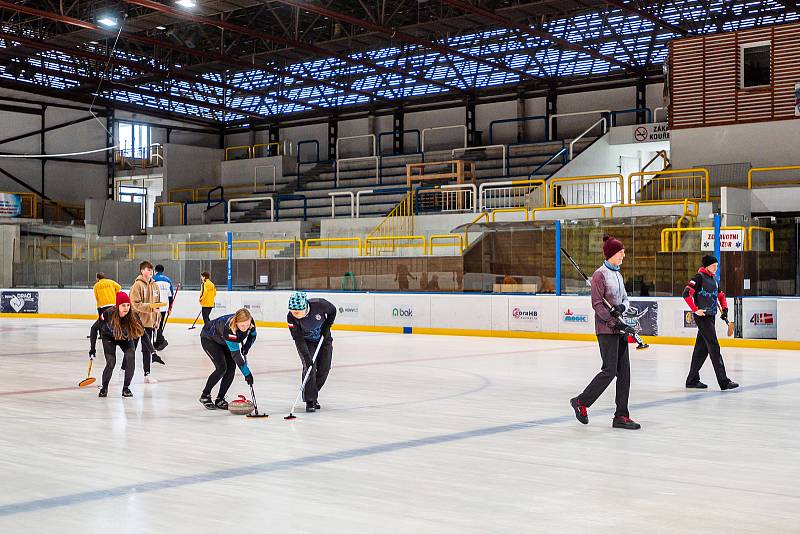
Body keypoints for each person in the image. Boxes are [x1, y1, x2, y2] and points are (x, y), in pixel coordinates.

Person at [570, 235, 641, 430]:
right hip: (606, 330)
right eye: (620, 252)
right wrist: (612, 321)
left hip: (619, 327)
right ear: (611, 254)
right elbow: (597, 304)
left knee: (624, 373)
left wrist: (621, 309)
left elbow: (626, 299)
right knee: (609, 371)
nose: (623, 255)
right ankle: (581, 402)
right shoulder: (599, 275)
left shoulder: (617, 274)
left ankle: (621, 415)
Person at [682, 255, 739, 391]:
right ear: (707, 266)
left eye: (717, 266)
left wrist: (725, 309)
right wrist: (695, 310)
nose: (716, 268)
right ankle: (724, 382)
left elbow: (720, 295)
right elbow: (686, 293)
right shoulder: (698, 277)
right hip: (703, 317)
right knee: (714, 348)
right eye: (714, 266)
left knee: (700, 350)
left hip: (711, 317)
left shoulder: (714, 279)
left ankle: (692, 380)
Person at [287, 292, 336, 413]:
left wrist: (327, 326)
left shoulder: (319, 304)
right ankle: (310, 400)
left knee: (325, 368)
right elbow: (298, 339)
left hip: (324, 339)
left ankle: (313, 394)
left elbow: (333, 310)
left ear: (305, 308)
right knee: (309, 368)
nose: (295, 315)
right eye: (292, 312)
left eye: (297, 313)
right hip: (306, 342)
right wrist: (307, 359)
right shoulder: (291, 317)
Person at [199, 308, 257, 410]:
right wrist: (247, 374)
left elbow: (253, 336)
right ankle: (205, 395)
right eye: (242, 325)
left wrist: (246, 347)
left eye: (247, 325)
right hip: (209, 339)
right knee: (222, 368)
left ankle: (220, 399)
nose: (245, 328)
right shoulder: (229, 330)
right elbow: (236, 356)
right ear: (236, 322)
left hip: (223, 341)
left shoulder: (250, 323)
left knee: (231, 369)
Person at [96, 292, 145, 398]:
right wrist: (92, 349)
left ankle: (126, 388)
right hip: (109, 337)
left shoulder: (133, 314)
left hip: (124, 338)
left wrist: (153, 352)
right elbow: (94, 328)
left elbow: (143, 333)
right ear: (117, 306)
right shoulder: (108, 313)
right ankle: (104, 388)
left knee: (131, 356)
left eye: (128, 305)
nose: (126, 308)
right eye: (123, 305)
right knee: (111, 363)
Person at [128, 260, 164, 382]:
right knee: (132, 348)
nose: (150, 272)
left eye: (151, 270)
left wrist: (157, 320)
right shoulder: (137, 285)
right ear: (142, 271)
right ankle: (124, 370)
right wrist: (150, 307)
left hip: (149, 322)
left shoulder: (155, 286)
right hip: (137, 322)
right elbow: (135, 304)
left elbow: (157, 305)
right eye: (147, 270)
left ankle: (147, 374)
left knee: (146, 349)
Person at [88, 272, 120, 348]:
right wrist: (114, 294)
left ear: (97, 278)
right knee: (112, 320)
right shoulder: (111, 282)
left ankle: (102, 335)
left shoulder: (96, 285)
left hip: (102, 306)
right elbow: (119, 287)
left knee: (101, 322)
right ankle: (114, 333)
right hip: (113, 305)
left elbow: (96, 296)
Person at [153, 264, 175, 350]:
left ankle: (161, 341)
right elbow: (171, 296)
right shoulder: (168, 280)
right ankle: (158, 342)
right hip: (164, 307)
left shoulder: (153, 279)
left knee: (154, 325)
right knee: (160, 325)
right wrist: (170, 308)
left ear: (155, 270)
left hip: (155, 307)